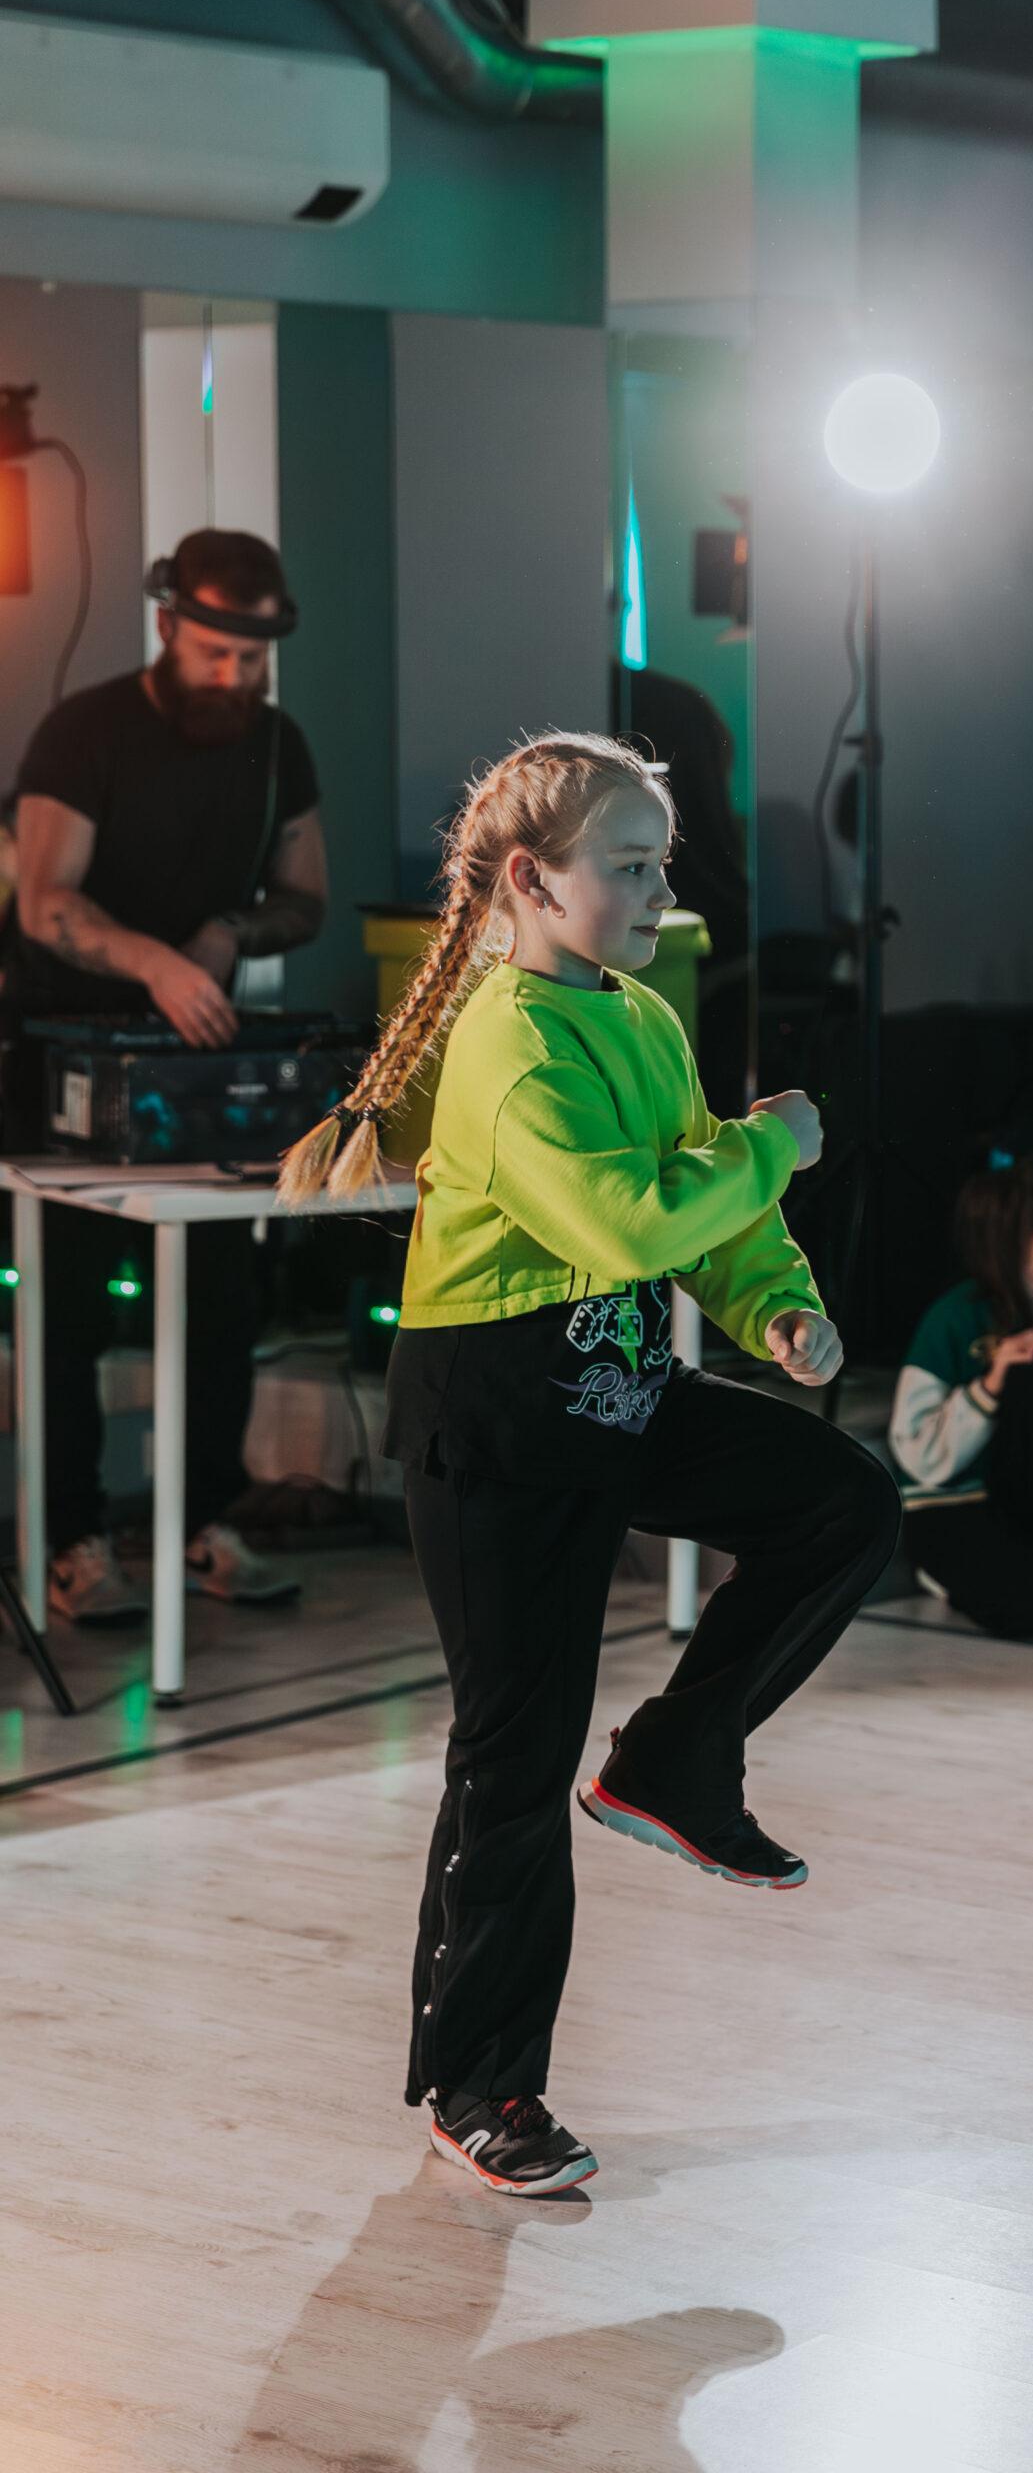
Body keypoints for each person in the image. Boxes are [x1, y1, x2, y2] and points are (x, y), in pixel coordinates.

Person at [280, 731, 899, 2197]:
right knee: (513, 1754)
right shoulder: (506, 1043)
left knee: (842, 1502)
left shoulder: (642, 1017)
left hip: (610, 1386)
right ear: (530, 879)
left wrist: (777, 1303)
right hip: (495, 1423)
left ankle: (677, 1756)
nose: (656, 893)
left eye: (659, 864)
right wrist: (773, 1147)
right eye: (627, 866)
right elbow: (625, 1220)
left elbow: (704, 1204)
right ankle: (480, 2087)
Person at [4, 529, 325, 1624]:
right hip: (65, 1052)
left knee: (222, 1303)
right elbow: (43, 899)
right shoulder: (84, 731)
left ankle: (205, 1524)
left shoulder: (278, 745)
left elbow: (305, 895)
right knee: (69, 1310)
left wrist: (232, 930)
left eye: (252, 659)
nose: (232, 676)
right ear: (166, 626)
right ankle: (74, 1542)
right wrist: (151, 961)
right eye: (214, 653)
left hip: (199, 1057)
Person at [889, 1155, 1033, 1637]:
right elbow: (917, 1454)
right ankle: (957, 1574)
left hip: (1031, 1508)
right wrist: (989, 1387)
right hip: (951, 1506)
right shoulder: (957, 1317)